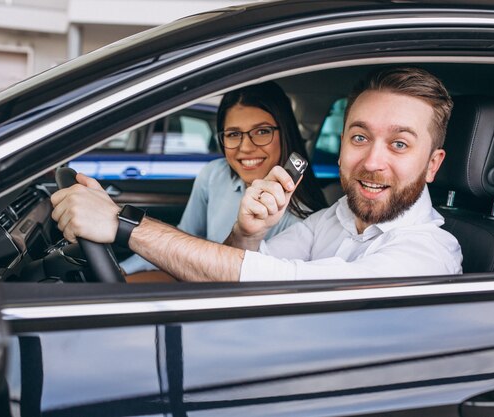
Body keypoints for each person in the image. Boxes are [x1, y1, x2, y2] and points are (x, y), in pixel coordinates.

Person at [51, 67, 463, 282]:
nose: (372, 162)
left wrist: (122, 224)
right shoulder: (334, 220)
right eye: (359, 137)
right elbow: (239, 269)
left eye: (400, 144)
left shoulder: (428, 254)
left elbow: (285, 281)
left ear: (432, 165)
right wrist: (247, 234)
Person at [120, 81, 327, 274]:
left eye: (262, 131)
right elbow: (182, 239)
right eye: (233, 134)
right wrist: (121, 271)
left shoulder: (304, 222)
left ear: (286, 134)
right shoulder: (214, 175)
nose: (245, 147)